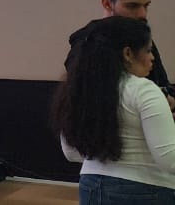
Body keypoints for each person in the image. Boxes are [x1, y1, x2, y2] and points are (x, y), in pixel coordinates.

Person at [55, 15, 175, 202]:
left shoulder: (79, 90)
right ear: (127, 53)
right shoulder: (144, 90)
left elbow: (71, 152)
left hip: (90, 187)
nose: (152, 58)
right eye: (148, 50)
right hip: (146, 190)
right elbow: (170, 160)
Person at [68, 0, 175, 111]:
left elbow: (162, 84)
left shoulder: (141, 38)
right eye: (133, 6)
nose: (143, 14)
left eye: (146, 6)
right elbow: (92, 101)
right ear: (107, 4)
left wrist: (166, 100)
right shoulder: (86, 43)